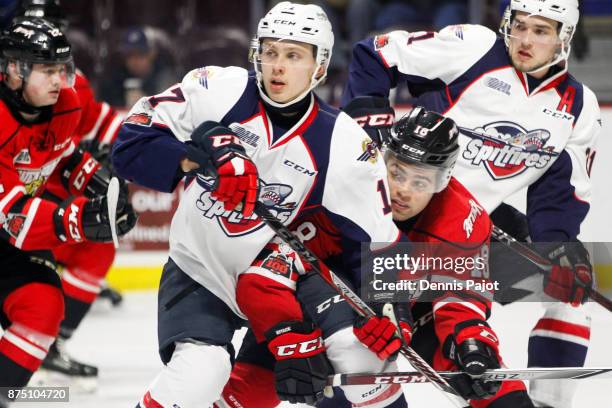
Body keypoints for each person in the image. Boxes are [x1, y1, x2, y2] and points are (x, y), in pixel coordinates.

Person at [112, 3, 410, 407]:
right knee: (201, 373)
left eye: (293, 55)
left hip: (283, 281)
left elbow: (378, 245)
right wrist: (199, 157)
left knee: (363, 358)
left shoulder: (343, 142)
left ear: (319, 67)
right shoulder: (218, 90)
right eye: (270, 52)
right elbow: (128, 147)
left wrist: (395, 309)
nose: (278, 67)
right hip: (200, 269)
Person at [341, 0, 601, 406]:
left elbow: (559, 194)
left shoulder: (578, 107)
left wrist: (557, 248)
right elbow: (374, 53)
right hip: (401, 219)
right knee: (378, 339)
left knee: (570, 292)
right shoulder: (473, 48)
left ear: (564, 39)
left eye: (541, 31)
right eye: (520, 26)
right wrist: (367, 125)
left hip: (473, 229)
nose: (525, 40)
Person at [218, 107, 535, 407]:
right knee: (254, 393)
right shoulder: (348, 190)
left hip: (414, 304)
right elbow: (275, 269)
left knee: (496, 388)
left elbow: (459, 296)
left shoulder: (462, 217)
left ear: (442, 182)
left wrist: (469, 340)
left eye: (421, 181)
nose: (403, 191)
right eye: (397, 173)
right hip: (329, 297)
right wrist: (288, 337)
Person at [0, 17, 136, 406]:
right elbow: (11, 217)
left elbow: (62, 158)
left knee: (43, 306)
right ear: (13, 69)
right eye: (47, 70)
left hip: (8, 239)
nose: (59, 80)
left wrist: (100, 185)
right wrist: (77, 219)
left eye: (62, 68)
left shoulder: (65, 104)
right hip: (8, 225)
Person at [98, 26, 176, 108]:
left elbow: (171, 110)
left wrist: (147, 103)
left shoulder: (164, 78)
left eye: (141, 54)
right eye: (129, 55)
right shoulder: (115, 79)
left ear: (152, 54)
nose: (135, 61)